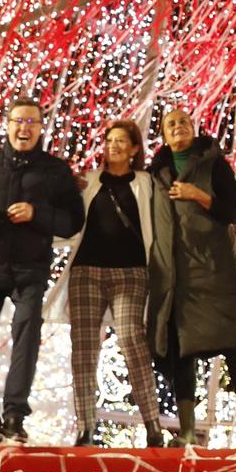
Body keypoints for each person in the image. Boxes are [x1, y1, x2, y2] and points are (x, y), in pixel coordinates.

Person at [0, 96, 83, 445]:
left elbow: (73, 222)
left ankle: (14, 416)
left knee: (26, 335)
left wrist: (36, 214)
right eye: (18, 122)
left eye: (31, 123)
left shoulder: (55, 171)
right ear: (7, 125)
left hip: (28, 268)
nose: (24, 129)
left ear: (40, 129)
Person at [149, 107, 236, 448]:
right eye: (171, 124)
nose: (178, 127)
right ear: (164, 134)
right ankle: (186, 430)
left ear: (194, 128)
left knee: (234, 344)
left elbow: (231, 212)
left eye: (183, 122)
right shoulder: (156, 172)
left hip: (216, 269)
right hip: (175, 274)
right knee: (181, 350)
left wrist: (197, 195)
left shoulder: (215, 164)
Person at [54, 118, 168, 447]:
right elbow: (69, 222)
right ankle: (86, 427)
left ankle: (153, 424)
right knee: (84, 349)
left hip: (131, 273)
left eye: (122, 141)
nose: (114, 146)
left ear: (134, 149)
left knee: (133, 338)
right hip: (86, 272)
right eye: (110, 140)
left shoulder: (146, 182)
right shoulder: (88, 181)